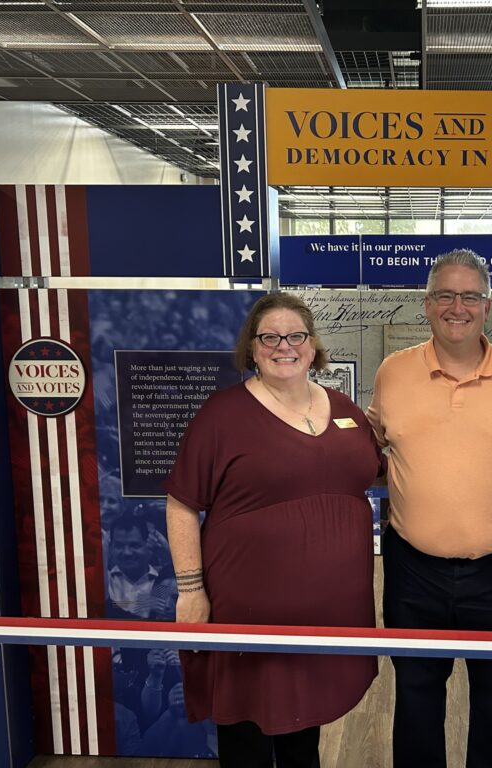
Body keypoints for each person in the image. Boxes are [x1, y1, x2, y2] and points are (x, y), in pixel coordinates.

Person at [165, 293, 384, 768]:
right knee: (245, 731)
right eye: (270, 337)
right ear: (253, 346)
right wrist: (190, 589)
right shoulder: (222, 416)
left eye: (296, 335)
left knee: (304, 732)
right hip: (246, 611)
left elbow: (377, 472)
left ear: (312, 343)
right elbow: (182, 503)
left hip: (328, 615)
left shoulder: (346, 409)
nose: (284, 345)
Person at [367, 250, 492, 768]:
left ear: (488, 305)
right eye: (446, 295)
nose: (458, 306)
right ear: (425, 306)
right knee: (416, 700)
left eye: (470, 295)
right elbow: (367, 455)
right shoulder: (392, 373)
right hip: (413, 570)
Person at [107, 515, 160, 618]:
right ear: (111, 547)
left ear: (147, 545)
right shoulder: (104, 583)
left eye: (134, 545)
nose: (127, 553)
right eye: (119, 546)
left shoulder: (163, 581)